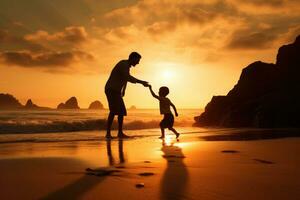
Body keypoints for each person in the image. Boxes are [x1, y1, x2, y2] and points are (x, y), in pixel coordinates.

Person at [105, 52, 149, 139]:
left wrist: (123, 90)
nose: (138, 63)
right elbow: (127, 77)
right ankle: (108, 133)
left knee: (121, 112)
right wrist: (141, 82)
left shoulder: (127, 66)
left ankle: (120, 133)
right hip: (111, 89)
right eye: (137, 60)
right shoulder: (123, 64)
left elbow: (125, 78)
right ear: (133, 58)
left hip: (116, 91)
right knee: (113, 111)